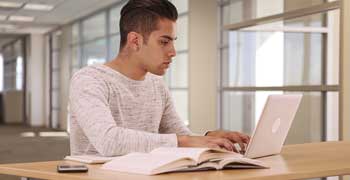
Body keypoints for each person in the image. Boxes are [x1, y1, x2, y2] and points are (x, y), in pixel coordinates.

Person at [69, 0, 249, 157]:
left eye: (173, 41)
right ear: (135, 41)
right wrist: (187, 141)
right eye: (164, 42)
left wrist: (210, 138)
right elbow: (109, 141)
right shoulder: (89, 80)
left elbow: (179, 135)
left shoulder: (156, 85)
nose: (173, 52)